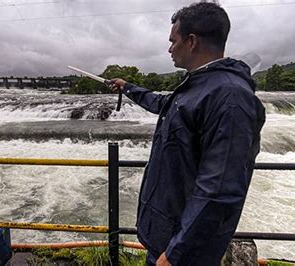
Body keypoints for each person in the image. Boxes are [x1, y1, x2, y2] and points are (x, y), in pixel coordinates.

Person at [109, 2, 265, 266]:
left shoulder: (229, 97)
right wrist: (128, 88)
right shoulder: (198, 86)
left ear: (191, 41)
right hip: (167, 239)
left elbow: (219, 190)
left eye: (173, 40)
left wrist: (176, 254)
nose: (170, 48)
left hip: (184, 252)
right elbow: (162, 104)